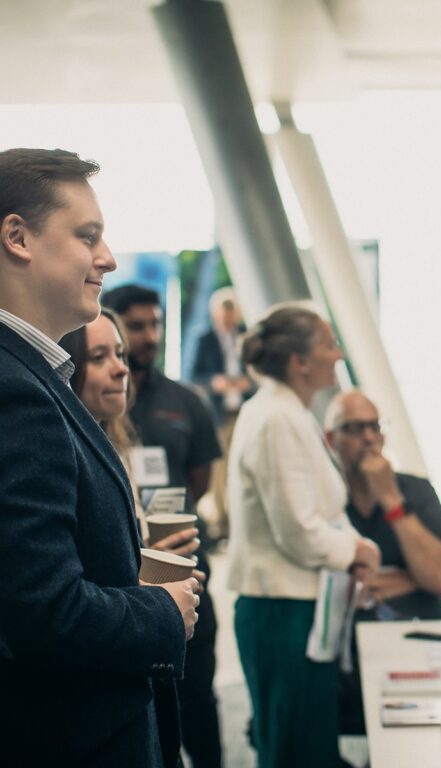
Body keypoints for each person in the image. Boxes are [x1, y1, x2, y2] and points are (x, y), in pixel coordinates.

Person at [0, 147, 198, 767]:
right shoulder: (16, 391)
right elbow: (43, 612)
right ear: (17, 238)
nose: (107, 259)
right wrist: (162, 609)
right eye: (89, 237)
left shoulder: (35, 377)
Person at [227, 305, 381, 768]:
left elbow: (322, 512)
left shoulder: (289, 411)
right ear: (299, 361)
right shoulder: (277, 417)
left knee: (310, 743)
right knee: (294, 750)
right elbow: (297, 529)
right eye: (328, 345)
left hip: (297, 606)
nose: (337, 354)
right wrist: (358, 549)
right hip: (280, 611)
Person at [60, 308, 205, 768]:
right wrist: (155, 599)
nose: (121, 367)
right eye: (100, 357)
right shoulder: (63, 451)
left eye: (118, 353)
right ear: (68, 366)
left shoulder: (117, 448)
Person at [102, 284, 224, 768]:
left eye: (155, 324)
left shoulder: (185, 401)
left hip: (189, 570)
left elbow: (201, 478)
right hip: (130, 583)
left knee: (199, 697)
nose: (148, 336)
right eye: (136, 326)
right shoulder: (100, 398)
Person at [324, 390, 441, 734]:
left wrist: (390, 498)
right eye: (355, 428)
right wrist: (410, 577)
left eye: (375, 426)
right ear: (330, 439)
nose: (369, 438)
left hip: (417, 644)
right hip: (342, 656)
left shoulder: (414, 490)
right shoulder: (325, 498)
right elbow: (333, 584)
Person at [191, 286, 253, 540]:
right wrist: (215, 382)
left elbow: (256, 371)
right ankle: (221, 523)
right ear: (215, 313)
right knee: (219, 471)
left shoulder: (245, 337)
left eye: (232, 311)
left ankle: (239, 521)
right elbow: (194, 376)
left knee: (241, 468)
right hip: (219, 415)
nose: (229, 317)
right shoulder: (205, 340)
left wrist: (246, 382)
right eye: (224, 312)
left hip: (243, 412)